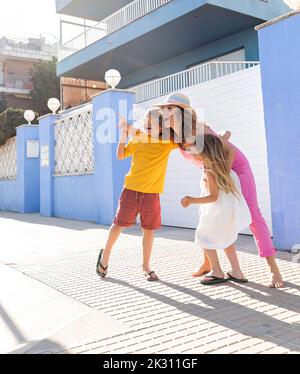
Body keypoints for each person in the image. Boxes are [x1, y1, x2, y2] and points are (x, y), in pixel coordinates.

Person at [157, 93, 284, 289]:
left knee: (253, 216)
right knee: (207, 217)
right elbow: (220, 139)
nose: (164, 113)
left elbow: (230, 151)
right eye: (163, 109)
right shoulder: (176, 136)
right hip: (214, 174)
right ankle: (209, 264)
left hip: (236, 170)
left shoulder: (198, 131)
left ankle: (274, 269)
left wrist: (221, 176)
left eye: (169, 109)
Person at [96, 107, 178, 282]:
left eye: (152, 123)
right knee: (119, 224)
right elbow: (120, 155)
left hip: (152, 193)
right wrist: (125, 134)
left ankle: (146, 266)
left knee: (148, 230)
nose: (147, 125)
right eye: (146, 122)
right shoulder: (139, 138)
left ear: (162, 127)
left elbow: (187, 137)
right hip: (131, 190)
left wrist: (173, 116)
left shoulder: (168, 142)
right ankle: (105, 257)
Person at [181, 134, 252, 285]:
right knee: (227, 241)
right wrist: (221, 139)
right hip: (227, 214)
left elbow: (213, 197)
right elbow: (231, 150)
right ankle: (237, 272)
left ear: (204, 152)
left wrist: (192, 200)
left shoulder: (210, 171)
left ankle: (217, 271)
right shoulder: (224, 166)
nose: (192, 154)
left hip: (214, 213)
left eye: (195, 151)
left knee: (203, 238)